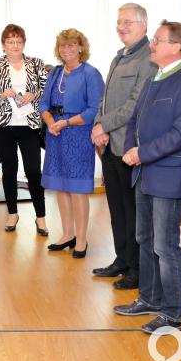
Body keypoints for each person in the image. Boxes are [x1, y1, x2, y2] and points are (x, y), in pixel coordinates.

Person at [113, 20, 181, 335]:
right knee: (145, 240)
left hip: (168, 174)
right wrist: (130, 149)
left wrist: (143, 152)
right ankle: (150, 298)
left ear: (176, 46)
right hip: (144, 172)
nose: (152, 44)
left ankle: (172, 313)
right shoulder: (154, 78)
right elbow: (134, 121)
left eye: (158, 39)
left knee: (166, 246)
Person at [91, 3, 158, 289]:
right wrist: (98, 126)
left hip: (130, 148)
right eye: (119, 22)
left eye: (128, 22)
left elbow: (135, 104)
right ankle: (121, 259)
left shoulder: (149, 58)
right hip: (109, 146)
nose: (121, 27)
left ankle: (137, 269)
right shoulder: (120, 56)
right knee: (117, 209)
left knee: (133, 213)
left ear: (144, 25)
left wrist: (103, 125)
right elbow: (105, 99)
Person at [40, 29, 104, 258]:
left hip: (78, 134)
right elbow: (44, 104)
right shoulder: (55, 72)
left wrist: (64, 123)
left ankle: (82, 239)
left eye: (71, 45)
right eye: (62, 46)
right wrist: (50, 123)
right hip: (55, 134)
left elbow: (95, 109)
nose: (66, 50)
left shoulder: (90, 73)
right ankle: (67, 234)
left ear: (80, 47)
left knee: (77, 190)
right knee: (61, 186)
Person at [0, 24, 48, 235]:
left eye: (19, 42)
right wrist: (3, 94)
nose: (15, 46)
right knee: (9, 170)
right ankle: (12, 213)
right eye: (10, 42)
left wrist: (34, 94)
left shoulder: (36, 64)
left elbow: (47, 91)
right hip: (3, 126)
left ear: (24, 43)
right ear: (3, 45)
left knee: (34, 172)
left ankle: (41, 217)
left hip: (29, 126)